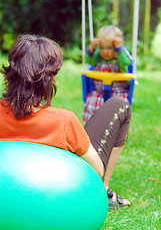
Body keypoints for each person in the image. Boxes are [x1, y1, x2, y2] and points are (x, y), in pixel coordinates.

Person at [0, 34, 131, 209]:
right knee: (120, 105)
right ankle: (104, 191)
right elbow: (97, 170)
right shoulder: (64, 121)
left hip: (11, 191)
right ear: (48, 80)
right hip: (59, 192)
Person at [83, 25, 132, 123]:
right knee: (92, 101)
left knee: (120, 105)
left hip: (118, 91)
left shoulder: (120, 57)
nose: (105, 51)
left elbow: (127, 62)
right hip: (99, 91)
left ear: (117, 46)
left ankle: (116, 128)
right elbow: (89, 61)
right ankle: (92, 126)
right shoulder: (97, 56)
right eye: (102, 47)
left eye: (109, 48)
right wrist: (91, 49)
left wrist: (119, 49)